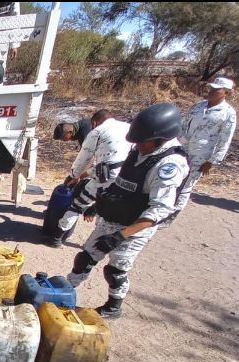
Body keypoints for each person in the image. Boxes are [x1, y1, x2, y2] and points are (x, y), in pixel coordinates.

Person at [66, 103, 190, 319]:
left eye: (142, 142)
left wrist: (120, 236)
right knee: (85, 258)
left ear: (161, 137)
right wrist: (98, 202)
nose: (137, 146)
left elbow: (159, 210)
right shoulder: (141, 149)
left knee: (115, 270)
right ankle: (65, 292)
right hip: (113, 217)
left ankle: (113, 307)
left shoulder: (169, 165)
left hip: (135, 226)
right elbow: (122, 177)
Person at [45, 110, 134, 247]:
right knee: (108, 211)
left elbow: (83, 160)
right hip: (127, 177)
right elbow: (111, 163)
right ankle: (98, 238)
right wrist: (82, 176)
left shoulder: (97, 131)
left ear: (94, 122)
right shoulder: (128, 127)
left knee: (77, 205)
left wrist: (72, 177)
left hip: (106, 176)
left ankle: (56, 239)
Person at [172, 76, 237, 217]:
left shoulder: (228, 113)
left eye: (216, 89)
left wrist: (212, 161)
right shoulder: (198, 106)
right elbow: (184, 124)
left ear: (225, 92)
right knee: (174, 178)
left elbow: (225, 139)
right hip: (182, 149)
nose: (211, 91)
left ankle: (174, 212)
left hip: (201, 154)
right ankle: (166, 207)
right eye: (211, 88)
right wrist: (176, 142)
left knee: (187, 184)